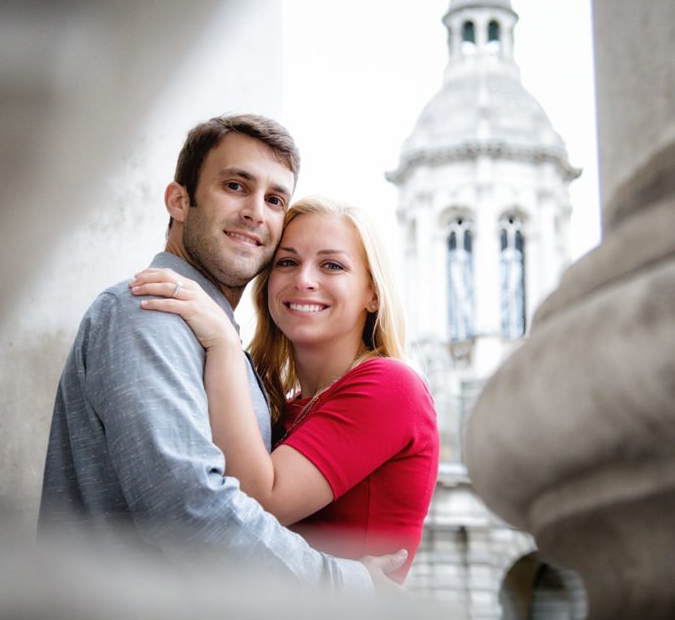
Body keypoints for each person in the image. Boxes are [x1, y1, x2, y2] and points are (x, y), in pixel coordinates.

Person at [38, 114, 405, 591]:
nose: (256, 212)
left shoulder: (208, 335)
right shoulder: (149, 313)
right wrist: (350, 585)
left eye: (275, 199)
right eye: (235, 185)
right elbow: (189, 510)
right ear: (179, 201)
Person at [129, 197, 439, 583]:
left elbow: (256, 504)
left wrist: (223, 343)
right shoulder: (286, 407)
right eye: (287, 262)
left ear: (372, 294)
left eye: (332, 265)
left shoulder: (393, 386)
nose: (304, 279)